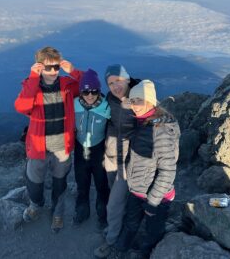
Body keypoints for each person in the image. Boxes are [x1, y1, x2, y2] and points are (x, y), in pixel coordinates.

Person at [107, 80, 180, 259]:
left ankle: (146, 253)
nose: (134, 105)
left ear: (150, 101)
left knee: (153, 231)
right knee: (131, 223)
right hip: (138, 190)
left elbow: (168, 171)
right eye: (132, 101)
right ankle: (120, 249)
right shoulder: (143, 122)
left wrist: (153, 202)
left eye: (139, 100)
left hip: (157, 197)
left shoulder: (160, 130)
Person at [14, 46, 83, 233]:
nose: (53, 72)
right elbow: (21, 106)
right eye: (48, 67)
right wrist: (33, 78)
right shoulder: (32, 87)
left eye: (56, 67)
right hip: (38, 147)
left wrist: (73, 70)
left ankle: (57, 212)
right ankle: (36, 205)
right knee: (34, 182)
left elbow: (90, 84)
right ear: (39, 67)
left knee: (60, 183)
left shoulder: (67, 85)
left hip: (62, 147)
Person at [94, 64, 139, 258]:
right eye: (110, 83)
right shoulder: (110, 99)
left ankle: (111, 240)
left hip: (129, 161)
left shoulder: (140, 98)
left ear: (127, 79)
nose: (115, 86)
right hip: (111, 157)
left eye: (118, 80)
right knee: (116, 196)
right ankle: (117, 225)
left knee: (113, 203)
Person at [73, 69, 110, 230]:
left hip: (99, 151)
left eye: (94, 91)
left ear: (99, 91)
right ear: (81, 91)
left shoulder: (107, 107)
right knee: (82, 183)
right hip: (80, 151)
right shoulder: (73, 104)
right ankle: (82, 210)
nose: (90, 95)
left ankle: (103, 213)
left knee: (101, 184)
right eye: (86, 91)